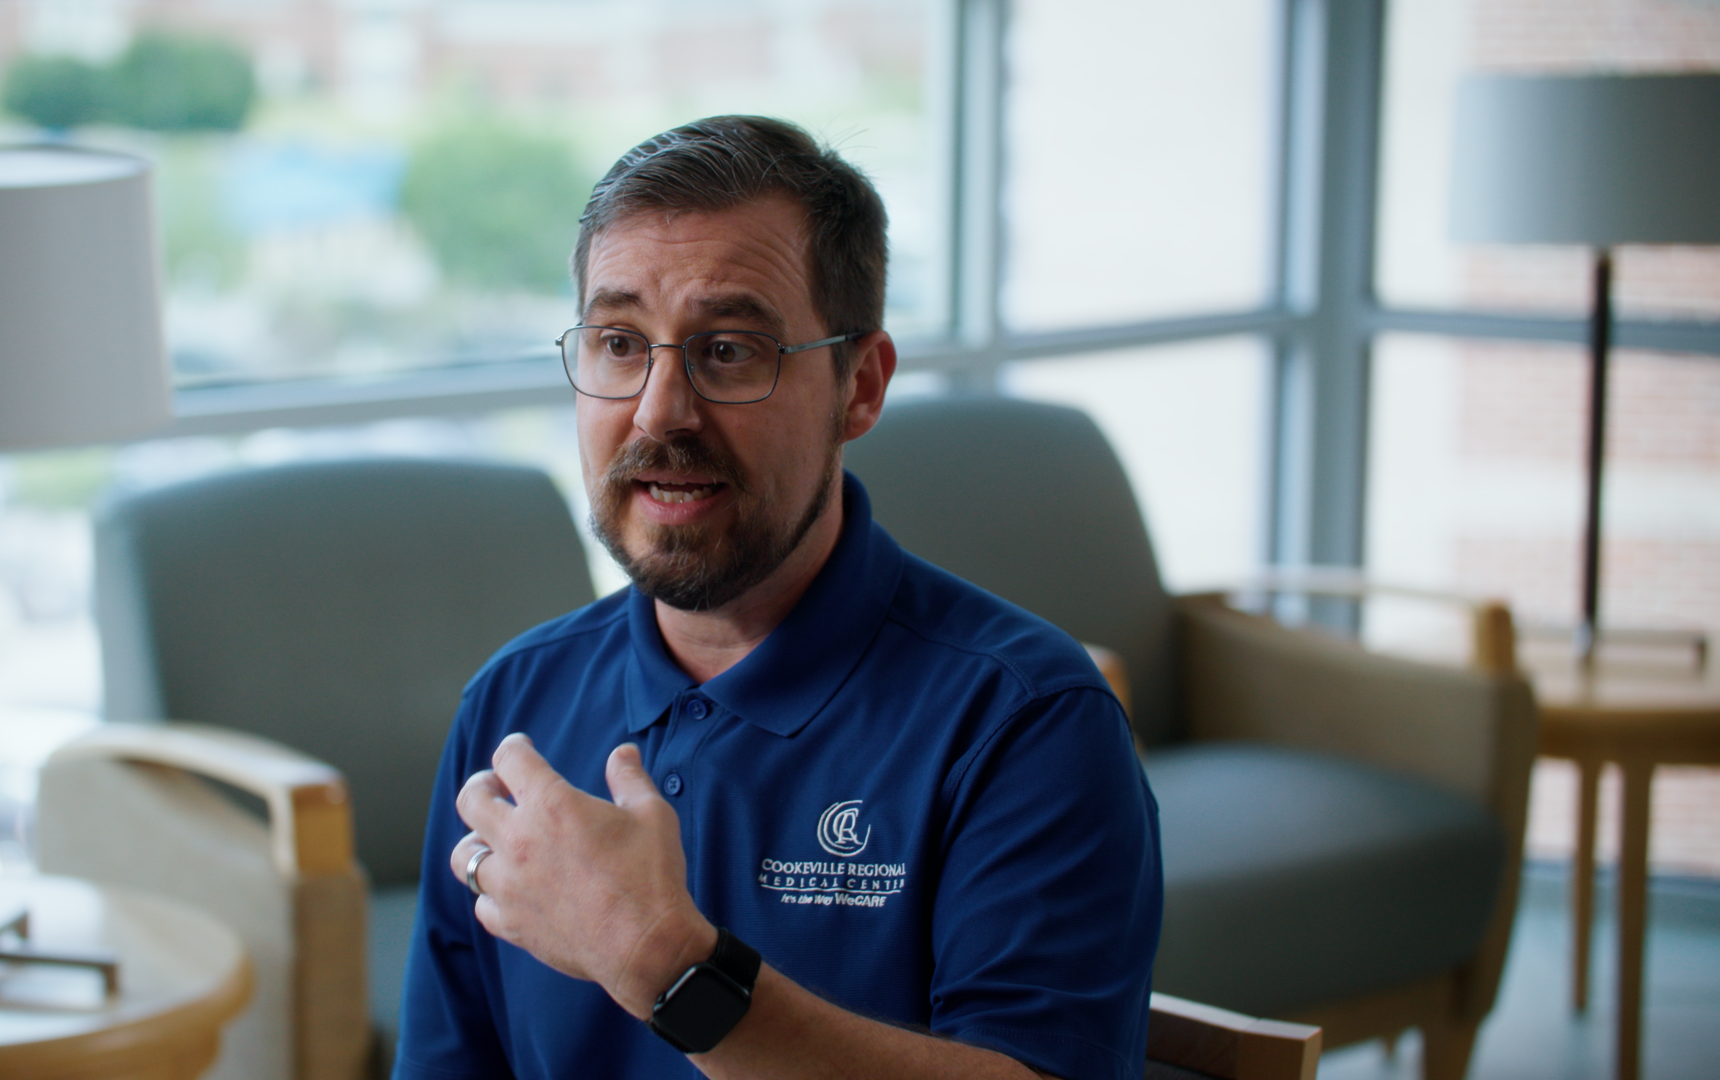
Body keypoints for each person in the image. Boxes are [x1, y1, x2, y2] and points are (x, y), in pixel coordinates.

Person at [393, 115, 1161, 1080]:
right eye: (620, 343)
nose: (660, 411)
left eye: (729, 351)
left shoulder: (1025, 722)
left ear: (861, 387)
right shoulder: (512, 710)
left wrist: (667, 967)